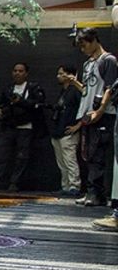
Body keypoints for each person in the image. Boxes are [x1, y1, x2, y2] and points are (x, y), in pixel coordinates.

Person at [0, 62, 44, 192]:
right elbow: (1, 104)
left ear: (26, 73)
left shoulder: (32, 88)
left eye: (21, 71)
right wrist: (1, 111)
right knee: (1, 154)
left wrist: (20, 102)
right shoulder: (8, 89)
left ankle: (15, 182)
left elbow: (37, 105)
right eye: (15, 70)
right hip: (9, 126)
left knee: (21, 157)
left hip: (25, 127)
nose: (17, 73)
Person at [75, 28, 116, 209]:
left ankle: (98, 193)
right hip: (88, 114)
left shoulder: (108, 61)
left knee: (99, 154)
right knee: (89, 154)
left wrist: (99, 111)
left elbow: (110, 88)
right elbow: (86, 88)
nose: (83, 49)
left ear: (93, 41)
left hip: (103, 114)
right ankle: (91, 190)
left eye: (84, 45)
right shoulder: (88, 64)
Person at [49, 64, 83, 197]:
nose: (59, 76)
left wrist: (78, 126)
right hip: (59, 129)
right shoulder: (64, 91)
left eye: (62, 74)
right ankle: (66, 186)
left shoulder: (75, 91)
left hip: (69, 130)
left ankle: (75, 185)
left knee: (70, 159)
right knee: (61, 161)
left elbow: (84, 109)